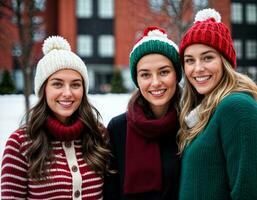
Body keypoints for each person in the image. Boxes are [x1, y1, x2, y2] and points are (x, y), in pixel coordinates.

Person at [1, 36, 112, 199]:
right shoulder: (20, 144)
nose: (67, 93)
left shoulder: (99, 135)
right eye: (57, 84)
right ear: (43, 89)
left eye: (75, 84)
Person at [178, 8, 257, 200]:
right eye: (189, 60)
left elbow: (248, 191)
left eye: (207, 57)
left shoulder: (237, 107)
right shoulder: (205, 111)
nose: (197, 68)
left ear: (225, 62)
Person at [103, 26, 182, 200]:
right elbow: (111, 192)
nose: (155, 82)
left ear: (176, 74)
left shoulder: (192, 124)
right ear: (137, 80)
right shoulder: (118, 128)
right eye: (145, 75)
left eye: (164, 72)